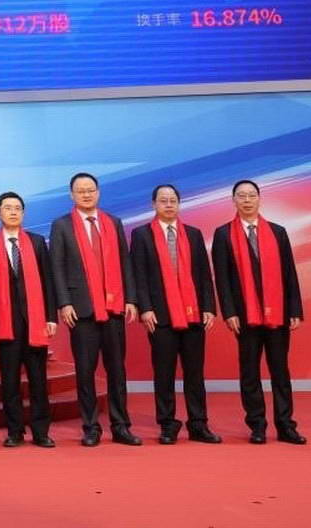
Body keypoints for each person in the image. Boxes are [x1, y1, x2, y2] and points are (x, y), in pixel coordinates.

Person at [49, 172, 141, 447]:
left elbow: (125, 262)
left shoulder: (113, 222)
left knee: (117, 371)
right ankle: (90, 427)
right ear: (72, 195)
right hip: (81, 309)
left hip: (113, 307)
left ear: (98, 192)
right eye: (81, 191)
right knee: (85, 372)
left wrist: (131, 298)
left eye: (90, 190)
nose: (86, 194)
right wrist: (64, 302)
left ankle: (121, 426)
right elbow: (57, 267)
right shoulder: (62, 225)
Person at [211, 179, 306, 445]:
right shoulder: (223, 234)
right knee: (250, 372)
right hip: (245, 315)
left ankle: (286, 426)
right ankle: (257, 425)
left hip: (278, 314)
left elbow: (289, 273)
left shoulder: (278, 232)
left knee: (280, 371)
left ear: (259, 199)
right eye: (241, 196)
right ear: (234, 200)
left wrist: (295, 308)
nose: (247, 200)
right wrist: (229, 312)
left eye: (251, 195)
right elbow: (222, 278)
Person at [129, 185, 221, 444]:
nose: (168, 205)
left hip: (193, 315)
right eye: (163, 200)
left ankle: (198, 424)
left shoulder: (193, 234)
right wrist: (145, 308)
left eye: (172, 201)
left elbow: (204, 274)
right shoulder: (142, 234)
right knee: (164, 373)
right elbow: (138, 274)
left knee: (195, 373)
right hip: (160, 316)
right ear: (154, 204)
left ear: (179, 204)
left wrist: (208, 307)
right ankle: (167, 424)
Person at [0, 192, 56, 447]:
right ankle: (14, 431)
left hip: (35, 321)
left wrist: (50, 317)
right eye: (8, 208)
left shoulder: (37, 242)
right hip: (6, 323)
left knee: (38, 380)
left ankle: (41, 432)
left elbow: (47, 281)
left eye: (17, 208)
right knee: (10, 381)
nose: (13, 212)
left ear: (23, 213)